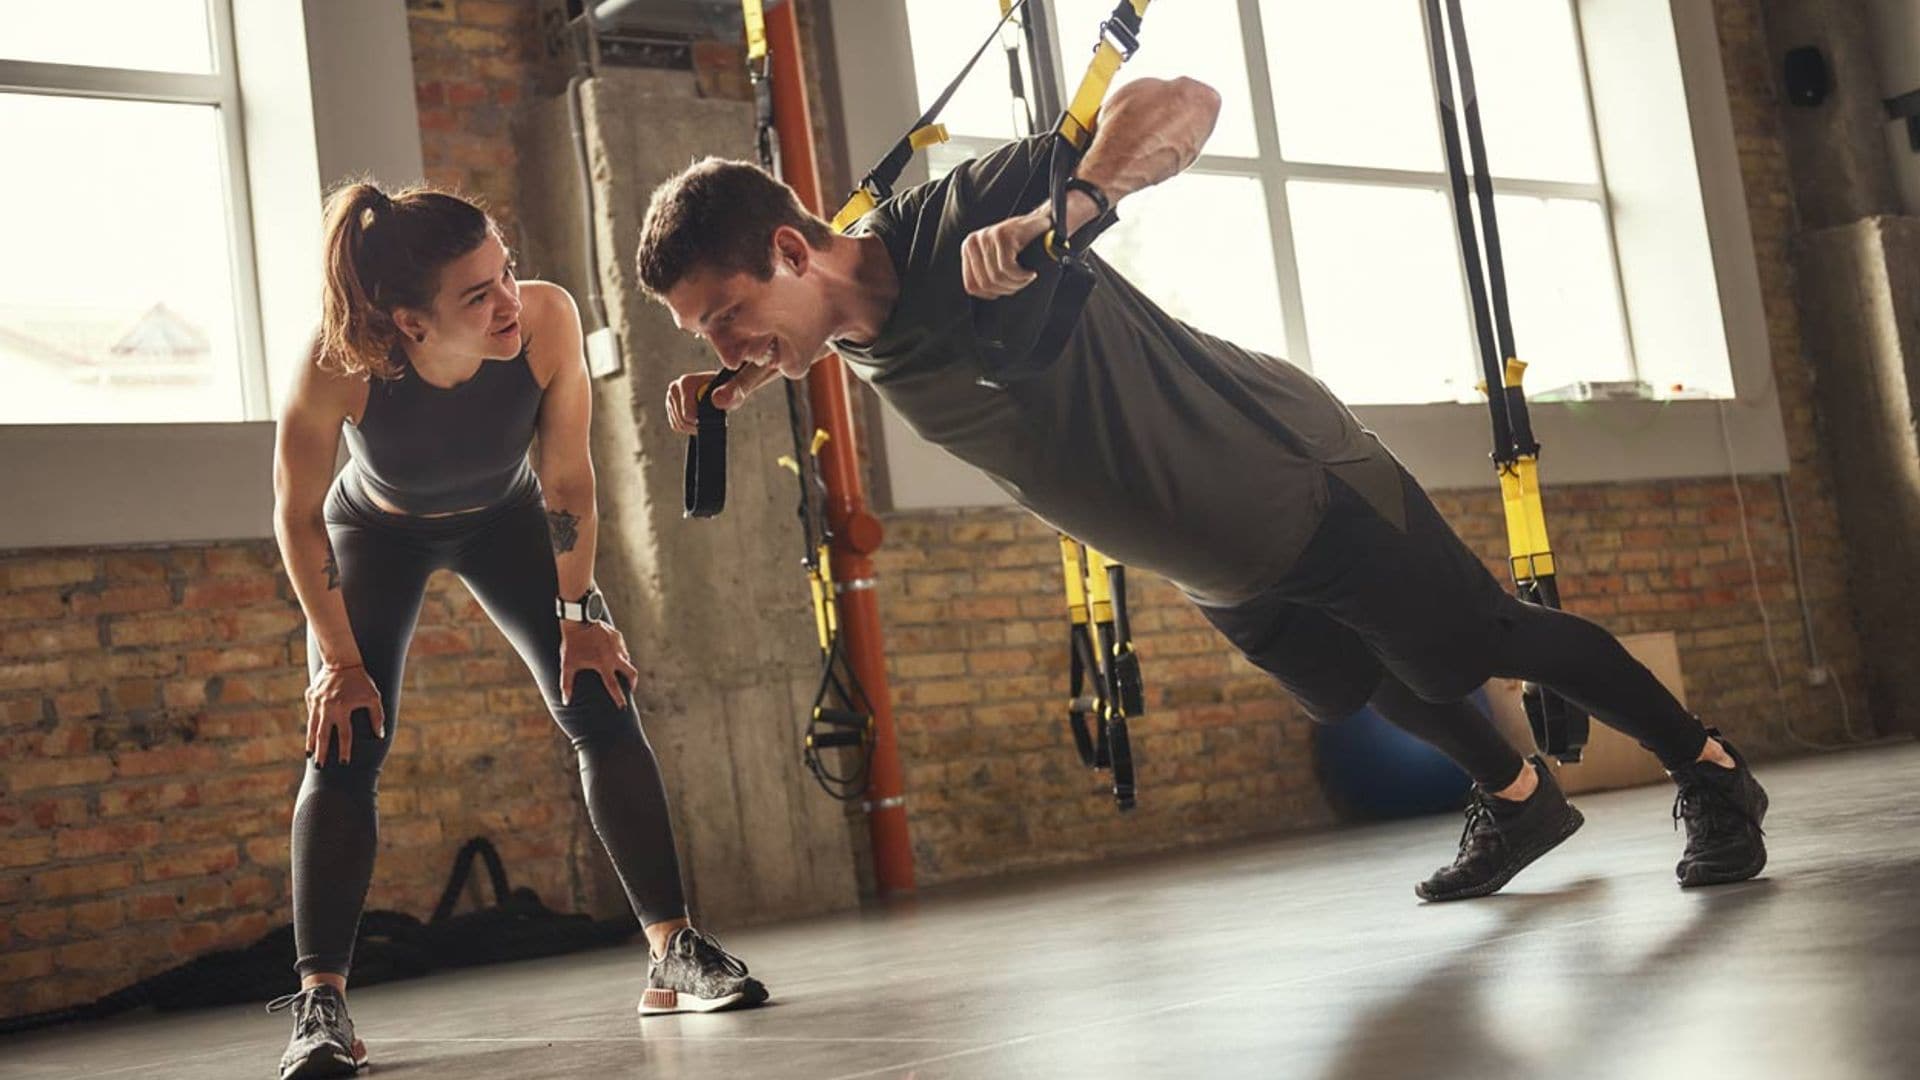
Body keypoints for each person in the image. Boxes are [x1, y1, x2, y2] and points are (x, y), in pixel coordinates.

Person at [633, 76, 1770, 910]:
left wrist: (1065, 211)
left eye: (725, 316)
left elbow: (1184, 100)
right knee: (1351, 682)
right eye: (706, 336)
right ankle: (1523, 800)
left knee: (1482, 641)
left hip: (1286, 477)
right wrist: (737, 376)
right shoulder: (836, 315)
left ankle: (1711, 773)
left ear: (791, 250)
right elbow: (838, 327)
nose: (726, 344)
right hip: (1214, 556)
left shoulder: (962, 217)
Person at [269, 182, 766, 1080]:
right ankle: (322, 1005)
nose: (509, 301)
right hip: (372, 531)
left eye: (506, 271)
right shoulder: (340, 361)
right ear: (409, 323)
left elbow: (568, 475)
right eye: (477, 294)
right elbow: (297, 516)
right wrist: (338, 662)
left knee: (600, 693)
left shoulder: (544, 320)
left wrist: (578, 617)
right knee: (345, 738)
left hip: (508, 518)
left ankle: (672, 950)